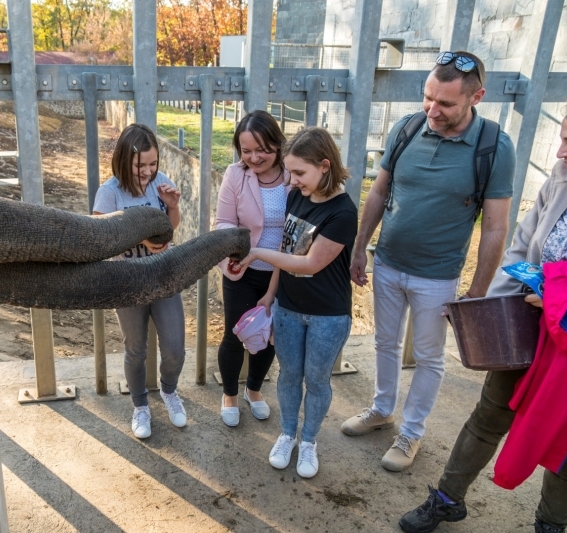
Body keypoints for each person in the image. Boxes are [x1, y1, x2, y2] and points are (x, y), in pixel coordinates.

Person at [398, 96, 567, 533]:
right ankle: (447, 499)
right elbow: (522, 247)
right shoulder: (560, 180)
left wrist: (564, 299)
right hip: (531, 329)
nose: (560, 153)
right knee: (488, 415)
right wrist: (495, 311)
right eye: (562, 140)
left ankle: (550, 525)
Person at [343, 51, 516, 471]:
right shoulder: (406, 128)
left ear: (477, 97)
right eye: (428, 97)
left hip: (437, 276)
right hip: (388, 262)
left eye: (445, 103)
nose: (432, 110)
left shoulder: (494, 147)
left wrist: (477, 291)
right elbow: (379, 191)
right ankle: (382, 409)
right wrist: (360, 247)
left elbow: (495, 227)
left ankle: (411, 432)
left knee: (428, 355)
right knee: (384, 342)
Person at [235, 127, 357, 478]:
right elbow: (288, 250)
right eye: (290, 172)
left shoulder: (343, 212)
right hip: (288, 307)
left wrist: (258, 253)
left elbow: (310, 263)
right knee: (289, 375)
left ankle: (309, 441)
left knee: (316, 381)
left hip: (327, 315)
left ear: (324, 165)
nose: (293, 180)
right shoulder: (296, 196)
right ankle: (287, 434)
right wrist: (271, 294)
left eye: (300, 172)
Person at [93, 123, 186, 439]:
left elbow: (170, 228)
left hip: (163, 276)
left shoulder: (160, 182)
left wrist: (172, 207)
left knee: (175, 348)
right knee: (135, 349)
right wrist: (142, 236)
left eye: (152, 164)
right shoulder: (110, 193)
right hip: (128, 282)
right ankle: (140, 406)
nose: (147, 172)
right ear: (123, 159)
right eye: (139, 165)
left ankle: (169, 391)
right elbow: (101, 237)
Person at [215, 110, 290, 427]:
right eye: (246, 151)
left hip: (283, 272)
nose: (254, 158)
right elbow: (223, 222)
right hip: (242, 271)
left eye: (262, 150)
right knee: (236, 334)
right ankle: (230, 394)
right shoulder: (235, 175)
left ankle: (254, 389)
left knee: (270, 335)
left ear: (277, 144)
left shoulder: (293, 173)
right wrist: (235, 253)